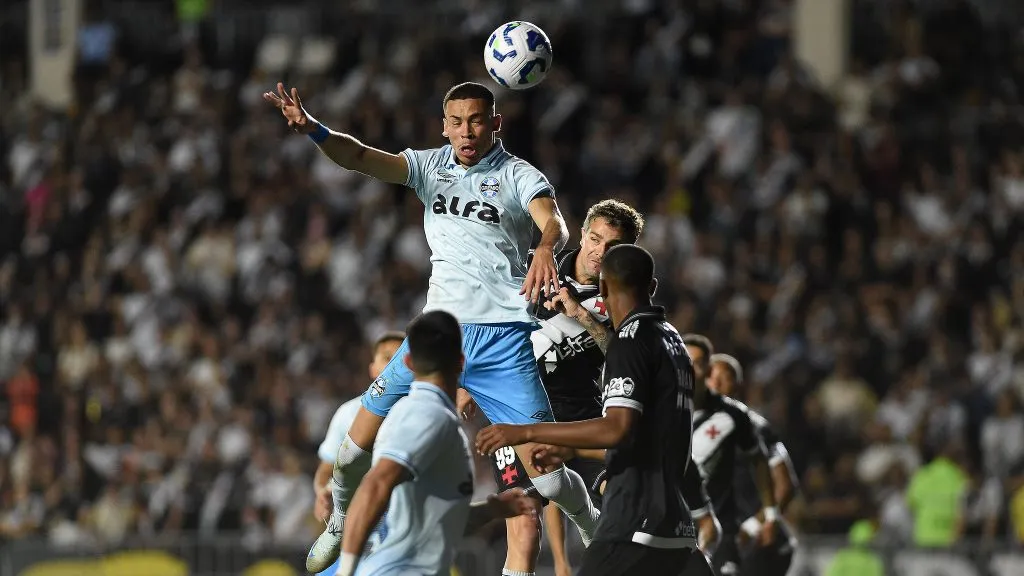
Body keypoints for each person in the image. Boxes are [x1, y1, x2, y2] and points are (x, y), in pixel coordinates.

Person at [264, 81, 600, 573]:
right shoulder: (428, 167)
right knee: (352, 449)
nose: (467, 131)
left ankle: (593, 523)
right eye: (457, 121)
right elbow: (359, 156)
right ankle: (340, 519)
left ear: (495, 124)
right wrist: (314, 129)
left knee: (548, 478)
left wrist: (547, 246)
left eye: (477, 120)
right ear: (444, 126)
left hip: (504, 340)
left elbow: (555, 223)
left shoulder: (517, 174)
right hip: (438, 336)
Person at [476, 245, 714, 575]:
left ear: (602, 288)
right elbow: (646, 438)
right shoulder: (673, 340)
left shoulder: (630, 342)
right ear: (653, 287)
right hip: (676, 522)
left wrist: (527, 432)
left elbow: (618, 429)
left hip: (633, 518)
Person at [485, 199, 644, 576]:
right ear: (583, 233)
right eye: (594, 239)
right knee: (523, 523)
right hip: (518, 411)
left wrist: (582, 316)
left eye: (612, 247)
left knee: (621, 509)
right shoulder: (533, 266)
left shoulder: (625, 301)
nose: (599, 252)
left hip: (583, 420)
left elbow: (621, 355)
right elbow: (487, 318)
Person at [336, 311, 542, 576]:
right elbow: (375, 484)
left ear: (408, 362)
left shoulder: (430, 417)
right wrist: (346, 571)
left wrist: (491, 510)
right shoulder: (426, 415)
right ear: (461, 363)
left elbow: (436, 523)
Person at [680, 336, 779, 576]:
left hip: (720, 526)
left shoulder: (734, 416)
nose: (692, 369)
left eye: (699, 362)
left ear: (709, 370)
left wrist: (770, 514)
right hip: (671, 526)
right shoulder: (660, 411)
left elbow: (760, 460)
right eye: (686, 361)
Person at [311, 331, 404, 576]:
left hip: (400, 530)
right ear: (373, 368)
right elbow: (324, 470)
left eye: (400, 357)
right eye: (386, 357)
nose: (393, 364)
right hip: (354, 527)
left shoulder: (422, 414)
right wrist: (322, 491)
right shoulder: (347, 413)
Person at [707, 353, 799, 576]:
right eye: (711, 376)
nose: (716, 383)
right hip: (716, 537)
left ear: (738, 386)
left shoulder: (755, 427)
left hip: (751, 541)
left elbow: (785, 485)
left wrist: (754, 526)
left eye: (724, 377)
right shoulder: (691, 426)